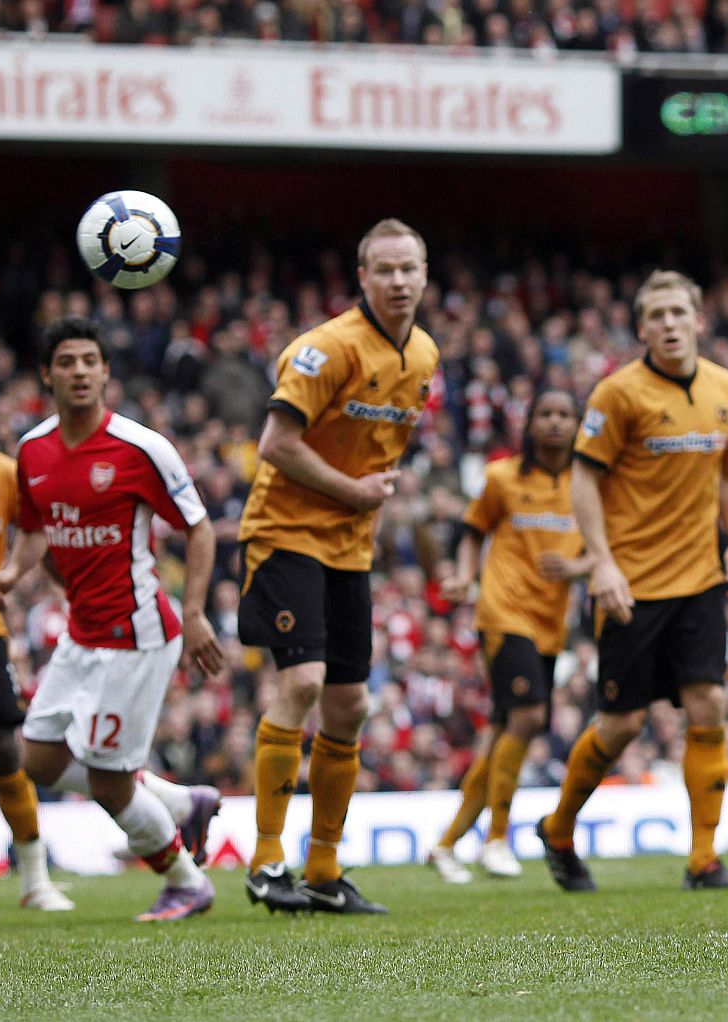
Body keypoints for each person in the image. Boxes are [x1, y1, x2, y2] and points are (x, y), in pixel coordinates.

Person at [0, 317, 226, 923]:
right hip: (82, 630)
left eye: (90, 360)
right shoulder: (33, 450)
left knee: (111, 783)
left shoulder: (141, 449)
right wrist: (15, 573)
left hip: (138, 635)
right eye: (66, 362)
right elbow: (37, 529)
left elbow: (198, 527)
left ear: (106, 372)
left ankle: (185, 880)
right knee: (36, 758)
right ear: (47, 374)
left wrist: (194, 611)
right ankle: (177, 801)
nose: (80, 371)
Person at [237, 218, 440, 915]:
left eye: (409, 268)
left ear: (424, 273)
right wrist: (354, 491)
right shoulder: (325, 350)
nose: (398, 281)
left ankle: (323, 870)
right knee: (303, 682)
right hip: (285, 532)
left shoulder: (424, 356)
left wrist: (371, 504)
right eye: (384, 269)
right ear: (362, 277)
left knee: (349, 705)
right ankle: (266, 861)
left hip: (349, 547)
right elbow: (275, 443)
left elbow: (379, 449)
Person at [535, 270, 728, 893]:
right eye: (655, 315)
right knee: (622, 724)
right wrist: (601, 563)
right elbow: (583, 480)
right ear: (641, 328)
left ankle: (703, 859)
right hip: (630, 585)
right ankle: (558, 828)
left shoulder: (727, 388)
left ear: (698, 320)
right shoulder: (617, 393)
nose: (668, 324)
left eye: (677, 313)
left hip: (700, 578)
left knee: (709, 701)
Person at [429, 389, 590, 883]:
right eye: (547, 413)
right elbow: (473, 531)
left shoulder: (589, 485)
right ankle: (496, 838)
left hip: (550, 622)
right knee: (528, 716)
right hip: (503, 612)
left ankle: (446, 843)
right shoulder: (501, 478)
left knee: (504, 732)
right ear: (531, 422)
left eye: (565, 413)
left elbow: (608, 551)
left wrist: (577, 567)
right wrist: (463, 575)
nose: (556, 422)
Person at [0, 379, 72, 911]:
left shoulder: (0, 471)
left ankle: (34, 879)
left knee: (3, 746)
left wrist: (14, 572)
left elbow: (35, 528)